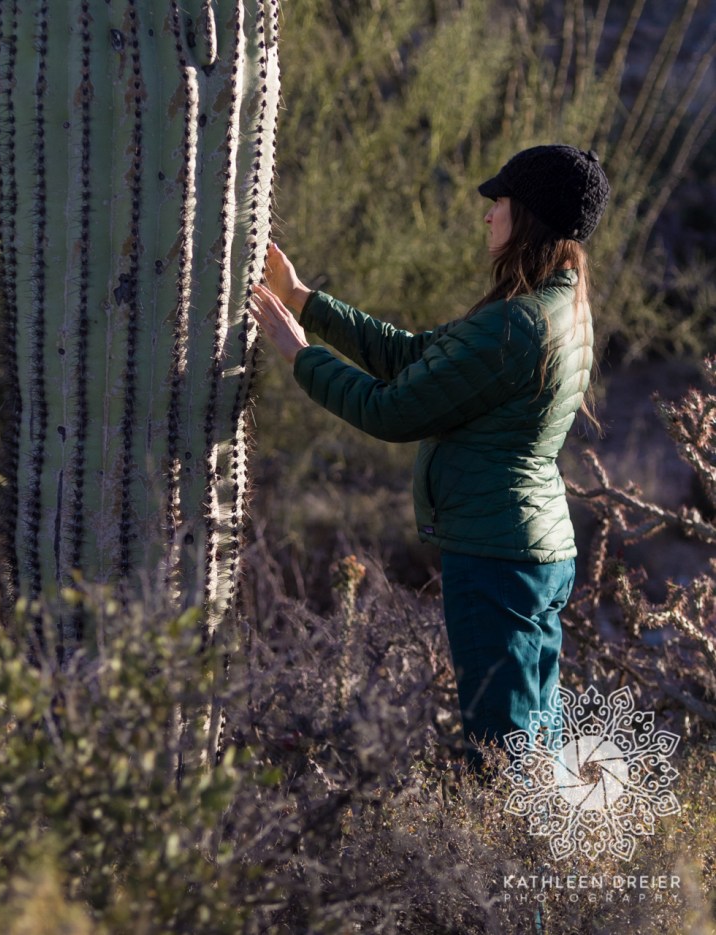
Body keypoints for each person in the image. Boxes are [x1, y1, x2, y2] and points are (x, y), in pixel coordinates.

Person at [249, 144, 610, 775]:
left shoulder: (516, 325)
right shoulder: (556, 306)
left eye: (499, 203)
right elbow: (418, 358)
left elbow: (390, 410)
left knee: (503, 752)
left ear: (528, 216)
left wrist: (300, 354)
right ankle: (546, 859)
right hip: (535, 550)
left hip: (499, 559)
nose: (488, 216)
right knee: (532, 740)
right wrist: (306, 300)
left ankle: (510, 868)